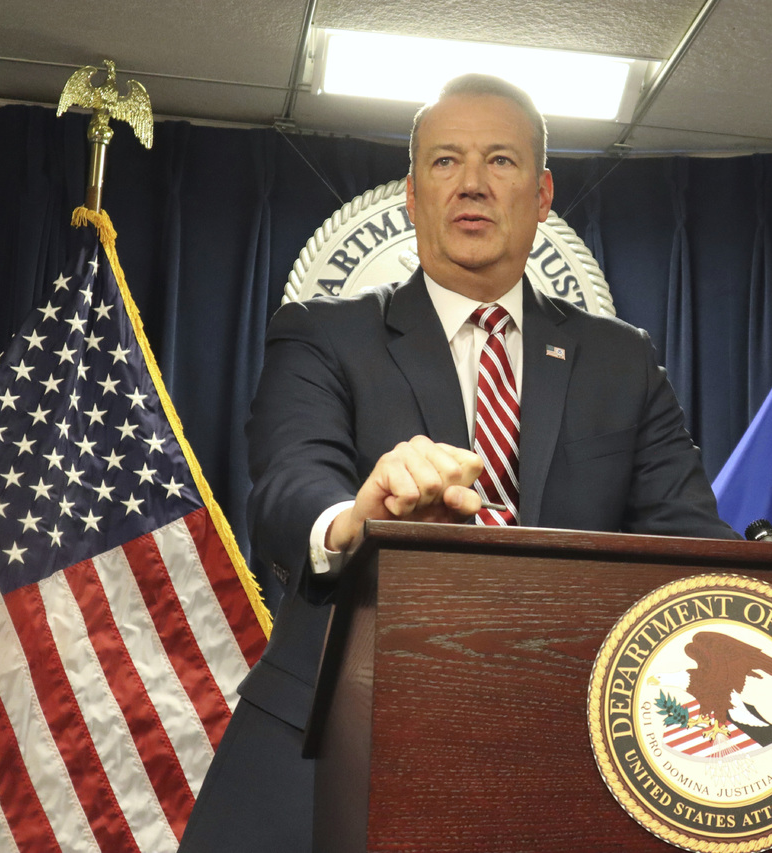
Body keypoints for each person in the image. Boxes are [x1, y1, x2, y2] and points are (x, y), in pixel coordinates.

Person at [179, 74, 736, 852]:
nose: (472, 183)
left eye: (500, 160)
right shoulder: (322, 333)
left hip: (555, 745)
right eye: (445, 162)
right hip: (332, 734)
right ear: (412, 196)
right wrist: (357, 518)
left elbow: (695, 548)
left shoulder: (622, 360)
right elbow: (287, 488)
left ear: (543, 195)